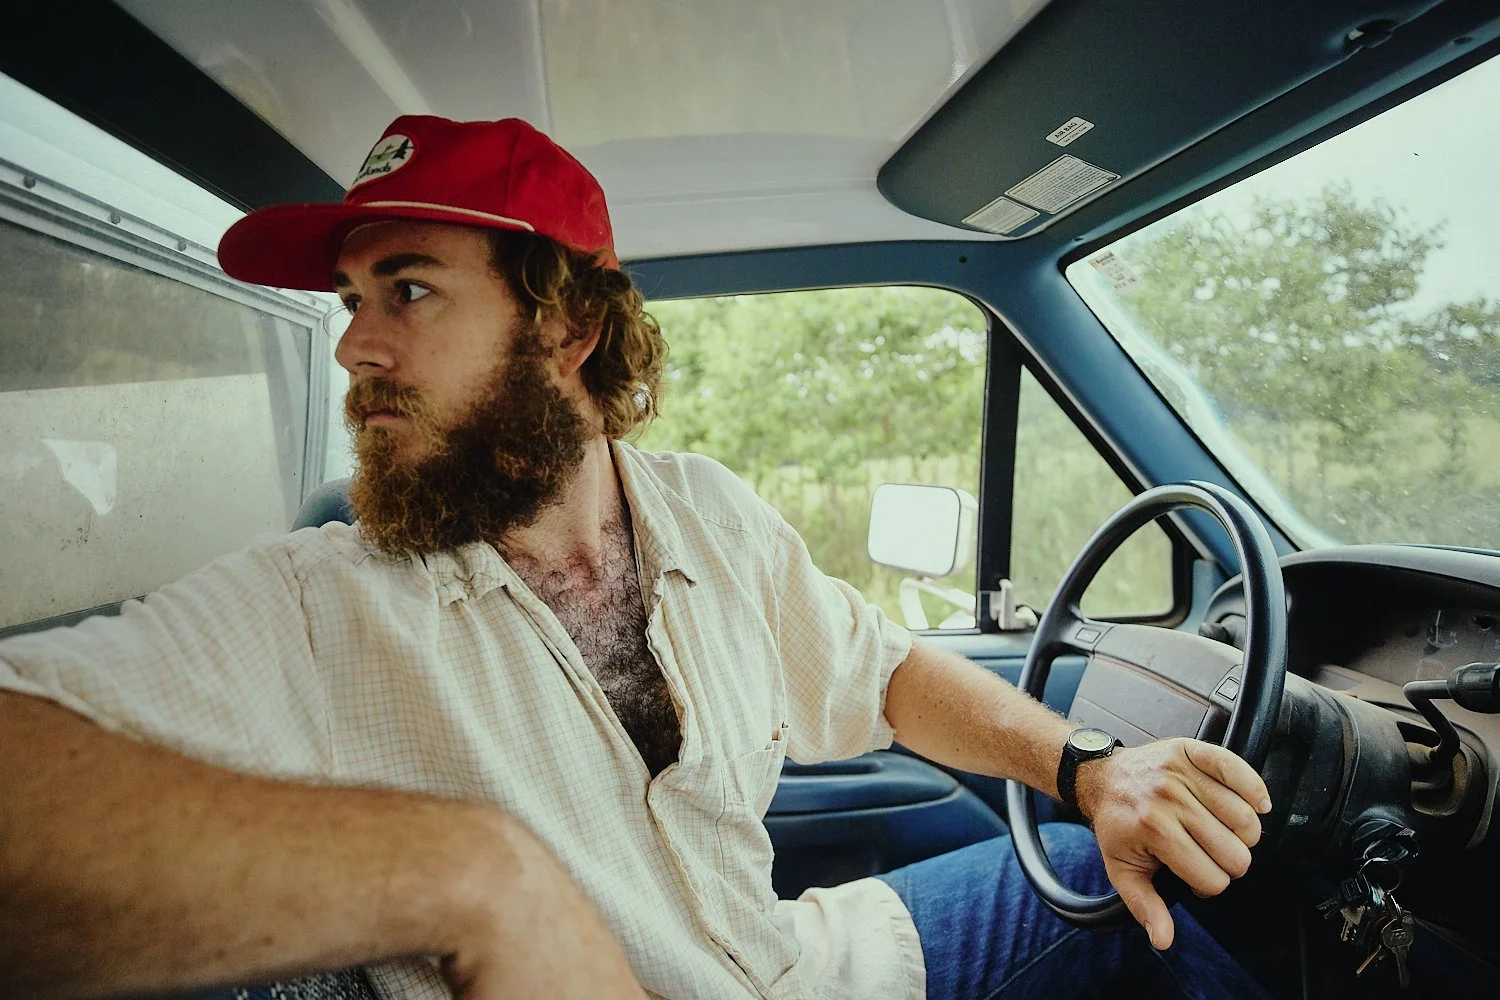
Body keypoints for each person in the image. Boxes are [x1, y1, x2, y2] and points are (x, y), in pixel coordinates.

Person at [0, 115, 1272, 1000]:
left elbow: (880, 671)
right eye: (352, 302)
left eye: (410, 290)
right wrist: (472, 875)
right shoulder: (313, 604)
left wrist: (1088, 768)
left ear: (565, 327)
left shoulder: (709, 513)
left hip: (809, 963)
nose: (356, 348)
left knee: (1157, 892)